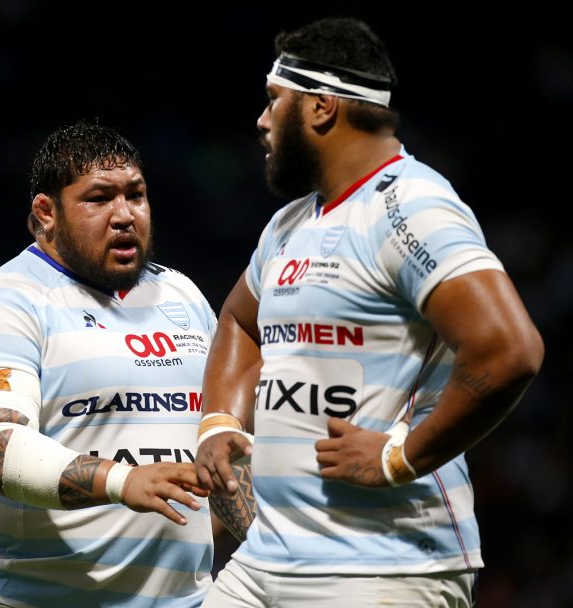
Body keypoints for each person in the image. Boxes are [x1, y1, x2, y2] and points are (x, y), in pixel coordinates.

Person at [195, 18, 544, 607]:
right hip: (264, 560)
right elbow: (239, 322)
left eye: (273, 102)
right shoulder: (290, 223)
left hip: (385, 566)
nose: (261, 122)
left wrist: (399, 456)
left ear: (321, 108)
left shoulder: (412, 206)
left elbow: (511, 351)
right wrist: (221, 422)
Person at [0, 122, 218, 607]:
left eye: (136, 195)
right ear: (46, 213)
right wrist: (122, 481)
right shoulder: (4, 302)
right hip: (26, 596)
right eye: (98, 199)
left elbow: (224, 445)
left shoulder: (184, 295)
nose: (124, 215)